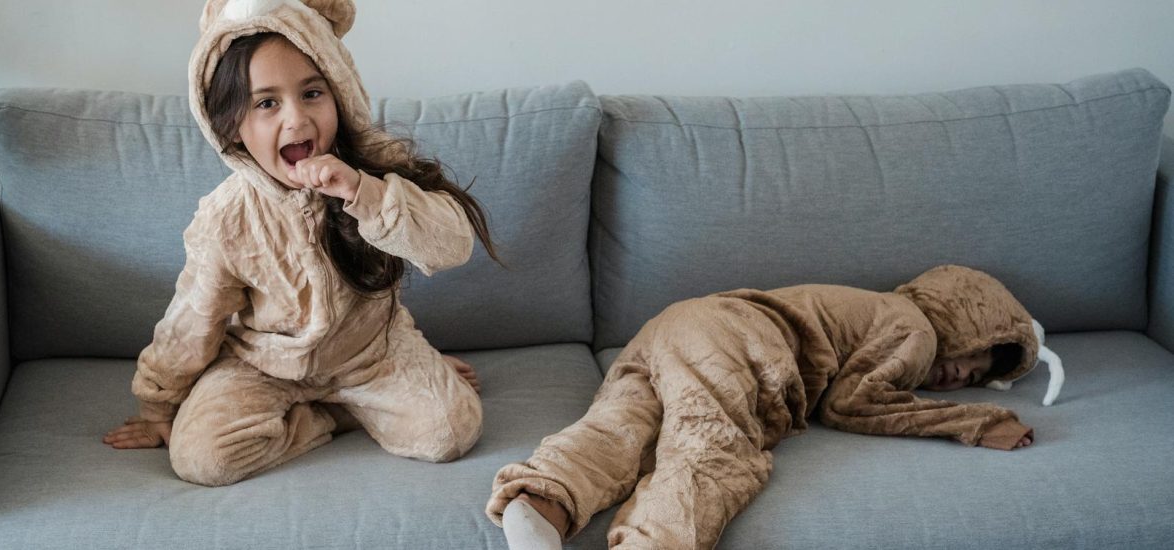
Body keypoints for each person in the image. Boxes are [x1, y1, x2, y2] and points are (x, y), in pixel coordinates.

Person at [102, 0, 498, 488]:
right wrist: (159, 403)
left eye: (312, 93)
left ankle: (363, 399)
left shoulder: (375, 168)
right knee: (202, 460)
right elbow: (193, 318)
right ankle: (330, 417)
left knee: (451, 430)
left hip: (371, 352)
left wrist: (362, 191)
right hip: (262, 365)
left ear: (339, 93)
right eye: (267, 103)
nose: (296, 120)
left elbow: (451, 244)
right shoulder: (226, 217)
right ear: (231, 127)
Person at [488, 265, 1064, 549]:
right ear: (967, 317)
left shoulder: (877, 310)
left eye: (977, 382)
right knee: (714, 446)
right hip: (736, 337)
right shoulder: (916, 330)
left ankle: (543, 503)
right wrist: (974, 419)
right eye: (978, 359)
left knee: (623, 426)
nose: (962, 376)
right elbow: (852, 403)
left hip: (675, 325)